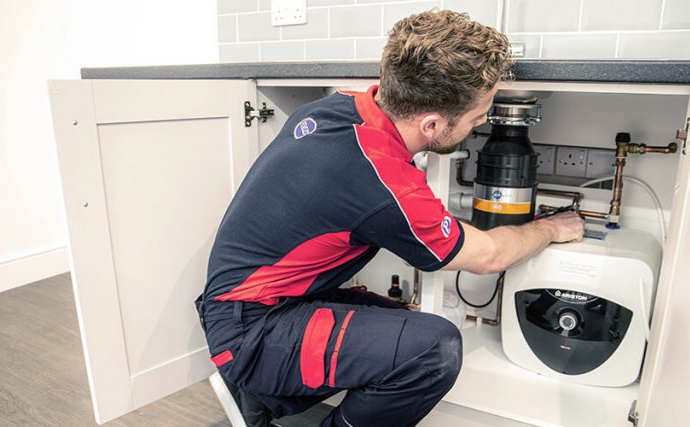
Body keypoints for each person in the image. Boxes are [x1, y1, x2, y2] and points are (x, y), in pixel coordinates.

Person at [194, 9, 584, 427]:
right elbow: (487, 255)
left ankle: (259, 399)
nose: (482, 123)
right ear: (432, 124)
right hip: (252, 331)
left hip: (263, 303)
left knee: (398, 328)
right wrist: (549, 227)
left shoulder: (340, 106)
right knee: (432, 349)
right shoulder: (384, 181)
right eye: (477, 117)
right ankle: (255, 379)